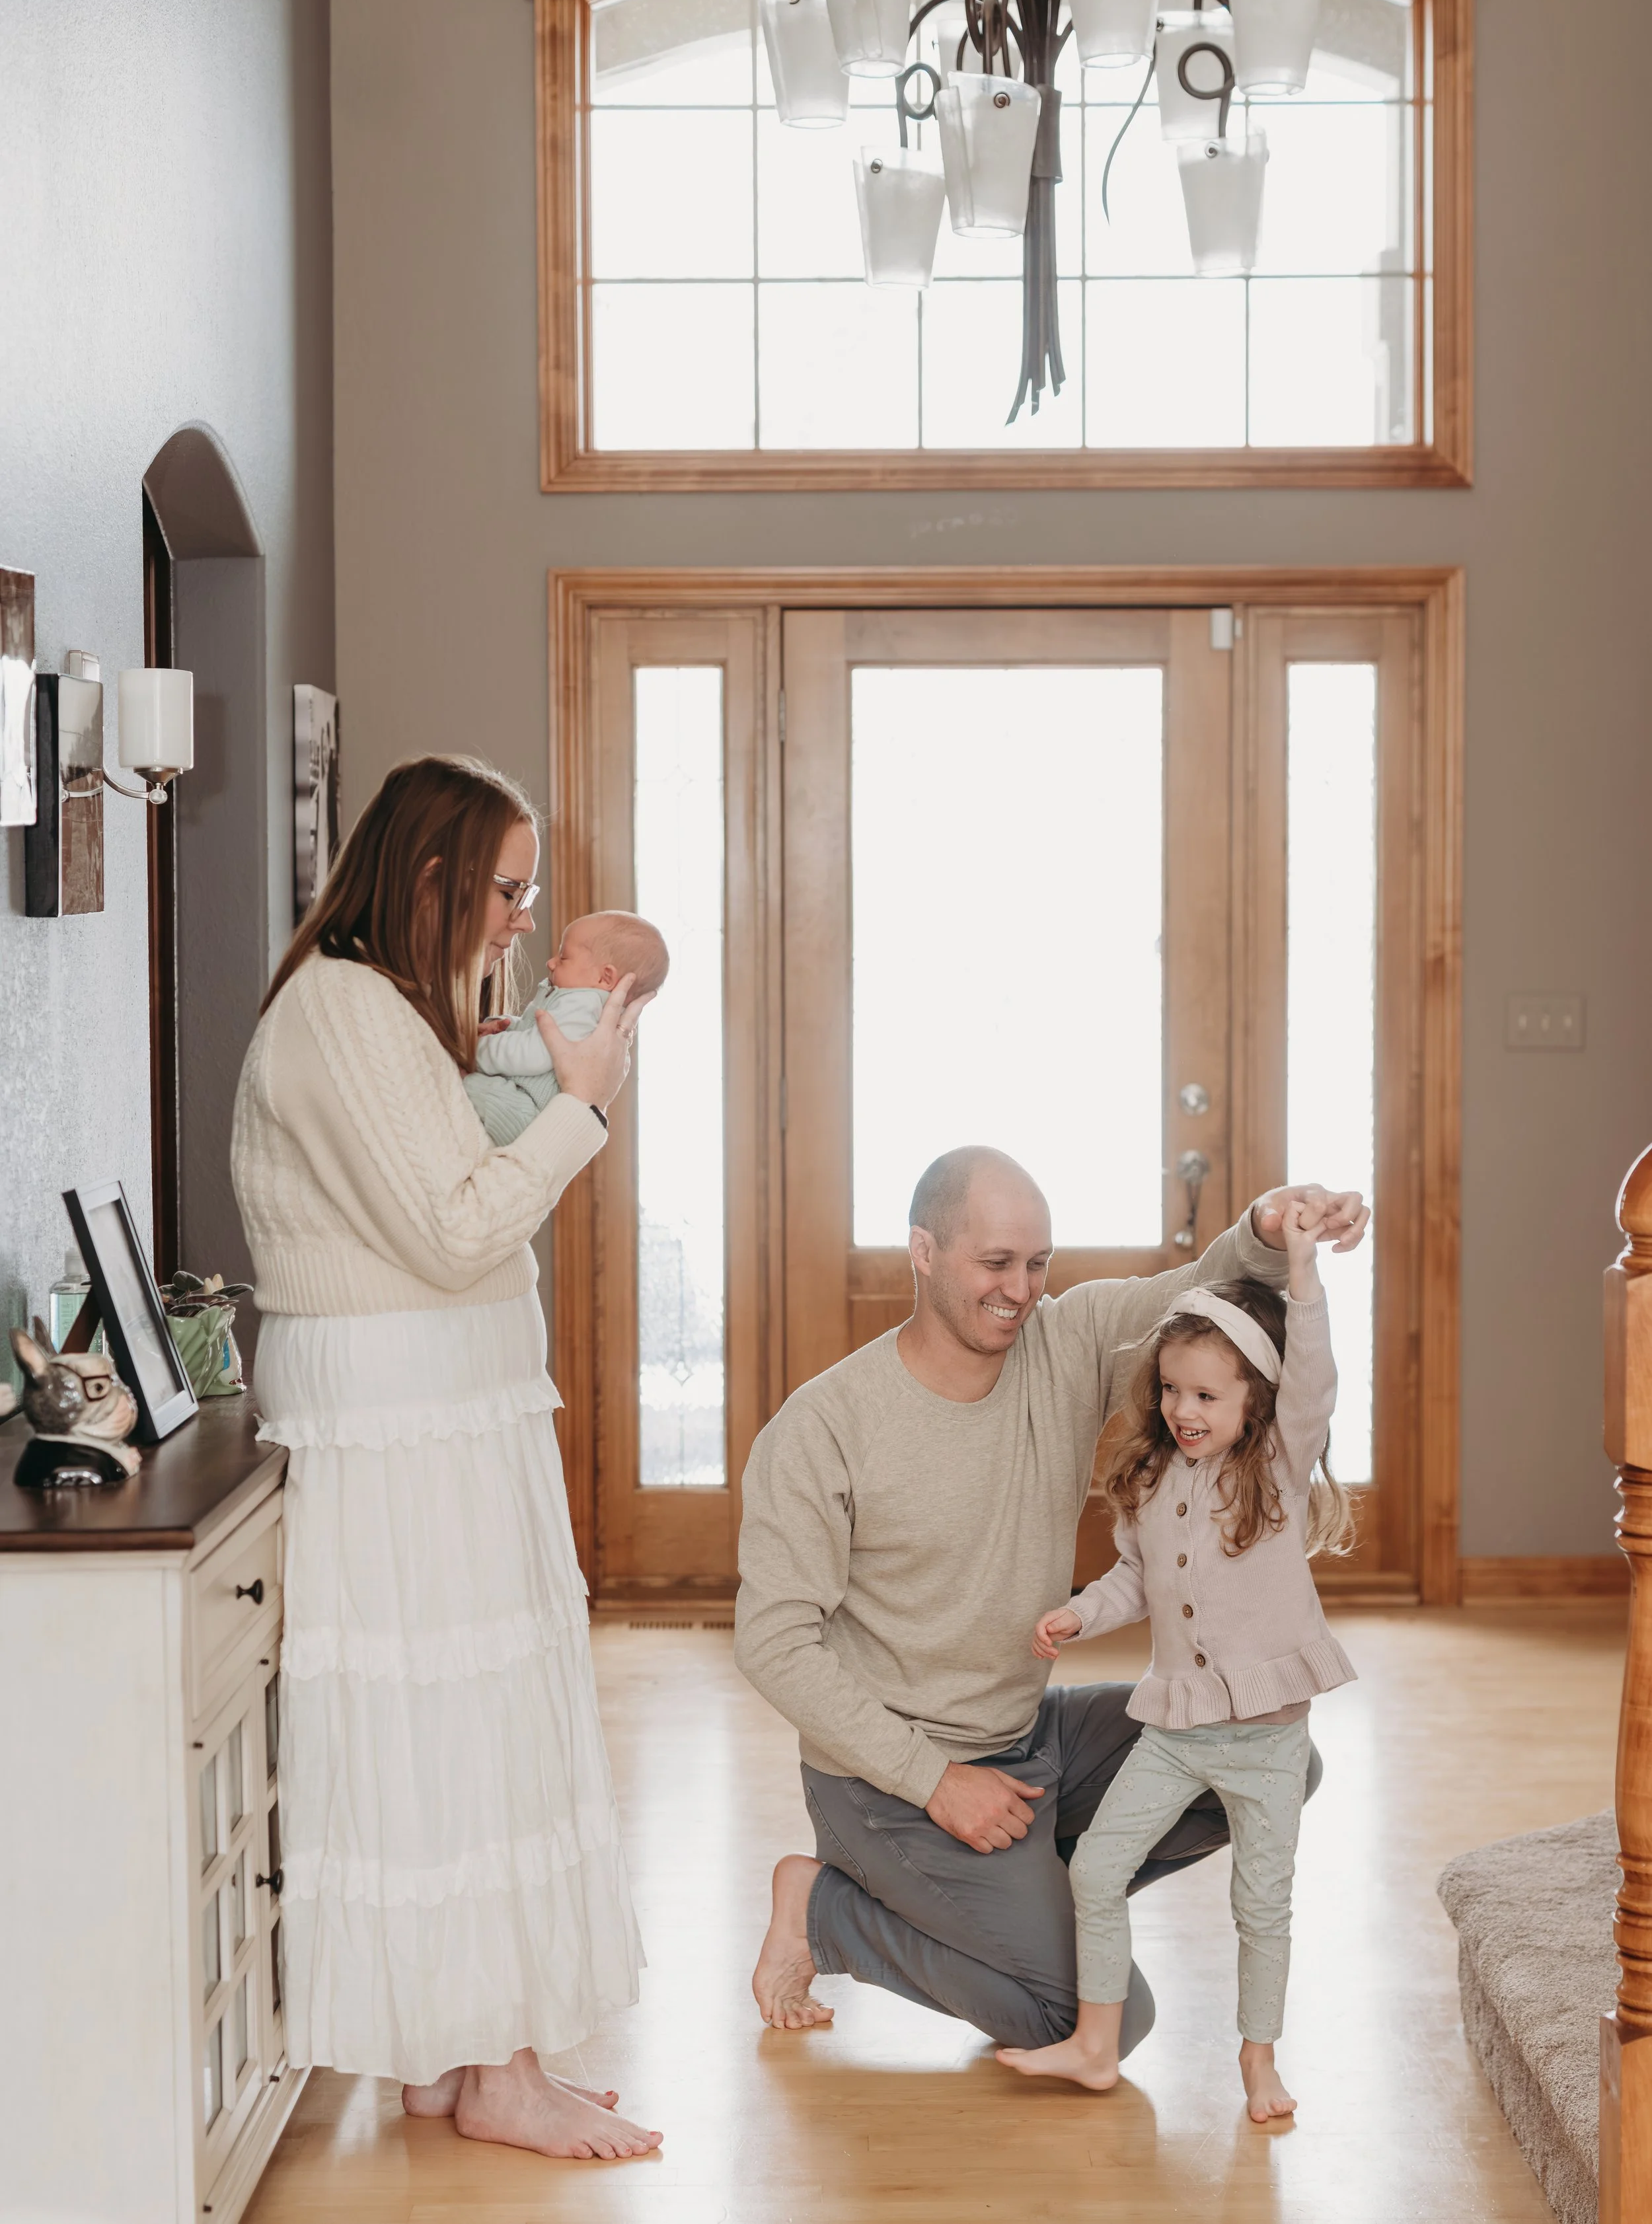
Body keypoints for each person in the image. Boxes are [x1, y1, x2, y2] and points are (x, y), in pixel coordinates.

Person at [231, 753, 661, 2161]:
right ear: (430, 880)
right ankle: (494, 2067)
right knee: (459, 1739)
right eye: (505, 891)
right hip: (404, 1425)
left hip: (439, 1412)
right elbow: (460, 1230)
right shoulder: (345, 1012)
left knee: (455, 1736)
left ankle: (459, 2052)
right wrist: (582, 1106)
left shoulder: (390, 1014)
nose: (521, 926)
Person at [735, 1145, 1367, 2057]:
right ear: (922, 1250)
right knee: (1085, 2017)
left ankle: (1031, 1897)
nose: (1020, 1289)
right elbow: (773, 1644)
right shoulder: (825, 1426)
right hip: (888, 1784)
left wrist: (1272, 1228)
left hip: (1032, 1738)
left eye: (1037, 1263)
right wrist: (935, 1782)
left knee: (1274, 1762)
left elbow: (1202, 1288)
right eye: (995, 1263)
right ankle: (822, 1908)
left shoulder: (1067, 1343)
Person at [998, 1197, 1353, 2120]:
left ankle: (1260, 2061)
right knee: (1096, 1869)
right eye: (1172, 1391)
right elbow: (1132, 1579)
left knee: (1260, 1908)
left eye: (1207, 1395)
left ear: (1255, 1401)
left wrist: (1305, 1274)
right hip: (1178, 1730)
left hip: (1268, 1740)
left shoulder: (1273, 1464)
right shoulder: (1152, 1481)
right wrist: (1079, 1614)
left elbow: (1313, 1374)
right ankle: (1093, 2045)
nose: (1184, 1411)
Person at [466, 910, 670, 1146]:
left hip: (524, 1110)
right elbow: (537, 1035)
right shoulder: (579, 1004)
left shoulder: (582, 1006)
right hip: (523, 1101)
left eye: (563, 957)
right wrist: (506, 1025)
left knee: (466, 1083)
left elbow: (534, 1054)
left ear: (605, 977)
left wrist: (475, 1048)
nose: (551, 963)